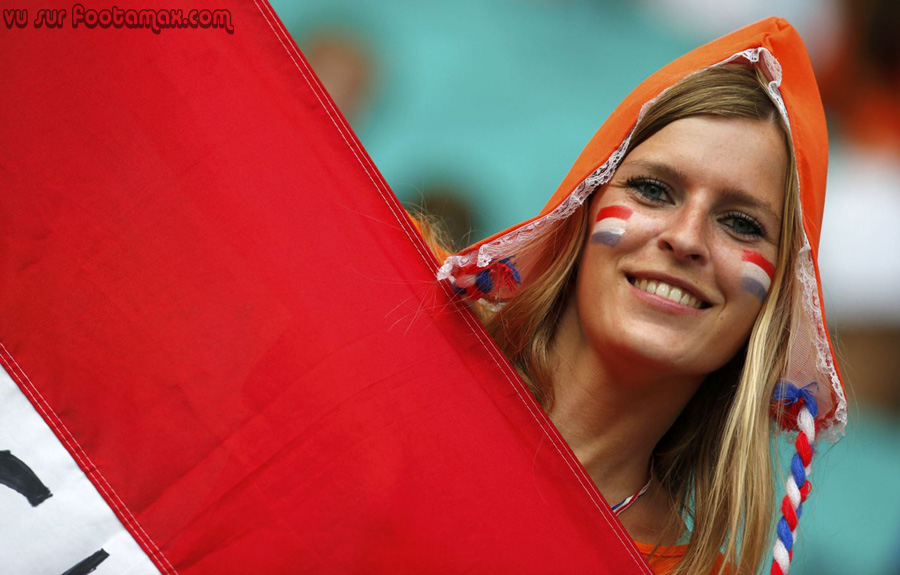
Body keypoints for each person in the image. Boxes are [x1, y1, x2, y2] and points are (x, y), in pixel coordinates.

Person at [417, 18, 847, 575]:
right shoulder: (386, 307)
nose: (687, 238)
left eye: (740, 223)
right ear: (583, 205)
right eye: (652, 189)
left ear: (774, 307)